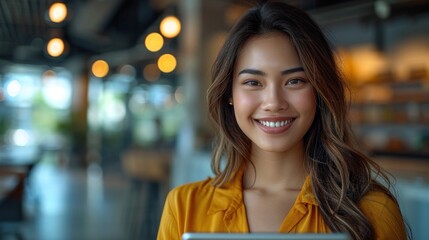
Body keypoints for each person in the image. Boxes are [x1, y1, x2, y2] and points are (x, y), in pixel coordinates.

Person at [157, 1, 409, 240]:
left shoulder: (372, 210)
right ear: (229, 94)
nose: (274, 102)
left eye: (295, 81)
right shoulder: (183, 207)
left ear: (319, 92)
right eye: (253, 83)